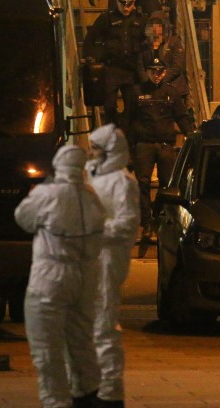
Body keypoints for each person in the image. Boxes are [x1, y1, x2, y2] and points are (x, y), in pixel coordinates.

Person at [15, 143, 106, 408]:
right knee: (81, 342)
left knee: (46, 347)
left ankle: (56, 402)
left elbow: (23, 219)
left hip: (50, 276)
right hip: (85, 277)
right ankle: (86, 394)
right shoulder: (93, 197)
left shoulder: (46, 194)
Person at [85, 124, 140, 408]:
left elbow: (127, 225)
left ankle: (110, 394)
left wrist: (93, 230)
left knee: (104, 326)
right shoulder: (94, 176)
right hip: (91, 258)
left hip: (107, 259)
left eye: (96, 149)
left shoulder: (123, 182)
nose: (91, 153)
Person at [132, 39, 195, 238]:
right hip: (144, 145)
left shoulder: (171, 93)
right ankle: (146, 222)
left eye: (160, 71)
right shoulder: (137, 92)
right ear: (148, 71)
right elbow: (127, 120)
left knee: (167, 185)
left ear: (165, 72)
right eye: (153, 71)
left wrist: (191, 134)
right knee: (142, 183)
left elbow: (181, 117)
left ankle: (160, 217)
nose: (157, 75)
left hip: (165, 145)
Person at [82, 0, 148, 128]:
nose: (126, 7)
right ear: (116, 2)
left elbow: (148, 42)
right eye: (122, 3)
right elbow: (90, 38)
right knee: (109, 106)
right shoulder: (106, 18)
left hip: (132, 69)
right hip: (112, 68)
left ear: (134, 3)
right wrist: (91, 56)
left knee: (132, 107)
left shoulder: (141, 20)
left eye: (129, 3)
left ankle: (127, 135)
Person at [137, 10, 189, 98]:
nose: (155, 28)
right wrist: (149, 81)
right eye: (152, 25)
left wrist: (161, 80)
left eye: (158, 25)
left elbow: (176, 66)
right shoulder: (144, 44)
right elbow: (140, 66)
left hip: (174, 88)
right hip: (151, 89)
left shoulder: (174, 42)